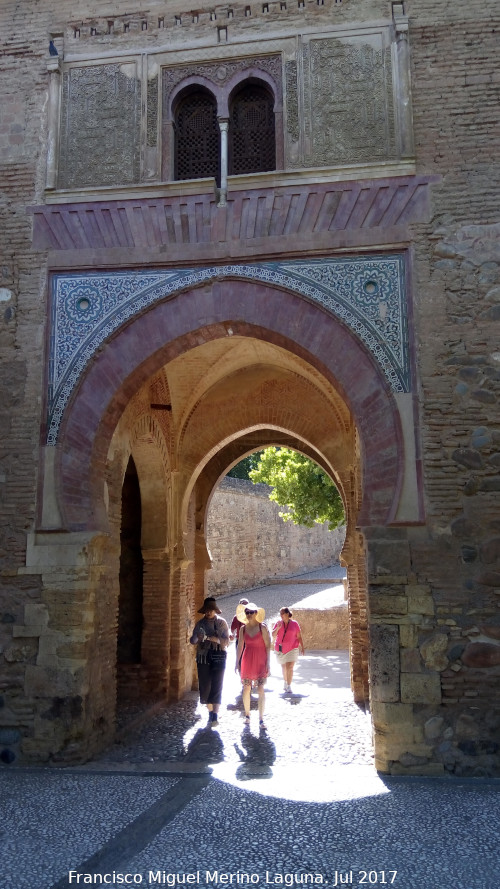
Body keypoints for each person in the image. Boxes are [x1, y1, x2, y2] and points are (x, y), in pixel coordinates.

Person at [190, 596, 229, 727]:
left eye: (211, 610)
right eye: (207, 610)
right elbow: (193, 641)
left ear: (215, 611)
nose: (209, 612)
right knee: (205, 686)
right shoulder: (200, 624)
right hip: (203, 656)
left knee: (217, 685)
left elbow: (226, 641)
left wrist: (214, 639)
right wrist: (196, 637)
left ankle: (215, 716)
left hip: (219, 656)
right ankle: (211, 713)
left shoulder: (222, 623)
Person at [236, 602, 271, 729]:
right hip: (247, 659)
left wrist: (268, 662)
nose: (249, 614)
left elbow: (268, 646)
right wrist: (237, 661)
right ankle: (247, 715)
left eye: (251, 612)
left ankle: (261, 719)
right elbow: (240, 646)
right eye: (247, 612)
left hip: (260, 659)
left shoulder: (262, 628)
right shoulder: (242, 629)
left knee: (261, 688)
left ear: (256, 613)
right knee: (246, 688)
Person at [272, 606, 305, 694]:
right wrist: (277, 628)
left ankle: (289, 685)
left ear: (287, 614)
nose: (281, 615)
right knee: (284, 667)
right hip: (281, 649)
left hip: (292, 648)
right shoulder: (278, 623)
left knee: (290, 667)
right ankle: (285, 682)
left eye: (283, 613)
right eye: (280, 614)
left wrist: (302, 647)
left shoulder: (295, 624)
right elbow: (273, 635)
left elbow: (299, 636)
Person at [230, 597, 249, 670]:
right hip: (239, 640)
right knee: (240, 658)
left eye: (246, 605)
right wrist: (231, 634)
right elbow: (232, 628)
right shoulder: (236, 617)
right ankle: (242, 674)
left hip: (249, 641)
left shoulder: (251, 616)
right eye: (243, 605)